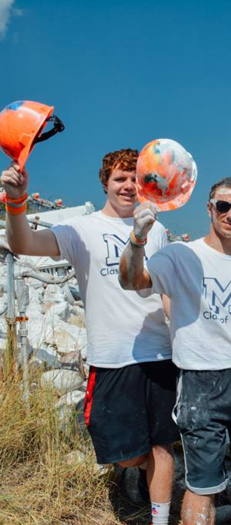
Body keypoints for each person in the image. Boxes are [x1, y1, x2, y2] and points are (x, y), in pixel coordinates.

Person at [1, 153, 177, 525]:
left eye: (135, 178)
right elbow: (23, 244)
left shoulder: (156, 228)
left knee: (163, 443)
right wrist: (16, 201)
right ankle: (132, 468)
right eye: (120, 179)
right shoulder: (82, 229)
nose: (128, 185)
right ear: (105, 184)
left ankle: (160, 519)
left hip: (159, 351)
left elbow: (165, 288)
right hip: (111, 355)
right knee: (127, 453)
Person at [119, 177, 231, 525]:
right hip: (199, 381)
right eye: (223, 206)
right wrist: (137, 238)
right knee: (202, 485)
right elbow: (132, 280)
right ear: (209, 208)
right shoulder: (180, 256)